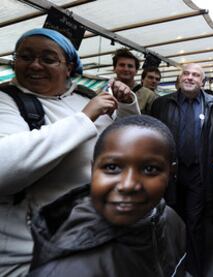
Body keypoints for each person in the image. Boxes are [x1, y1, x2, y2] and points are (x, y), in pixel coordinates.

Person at [0, 28, 140, 276]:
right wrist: (84, 117)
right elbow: (5, 170)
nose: (35, 65)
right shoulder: (6, 99)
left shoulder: (83, 96)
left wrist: (128, 106)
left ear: (69, 67)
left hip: (94, 240)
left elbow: (125, 142)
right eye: (25, 56)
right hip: (32, 257)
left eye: (48, 59)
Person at [28, 115, 187, 276]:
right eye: (112, 167)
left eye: (150, 169)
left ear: (170, 173)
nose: (128, 185)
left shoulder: (171, 221)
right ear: (92, 169)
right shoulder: (62, 271)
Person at [151, 63, 213, 277]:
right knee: (169, 221)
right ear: (179, 77)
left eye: (196, 75)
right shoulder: (161, 104)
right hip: (170, 175)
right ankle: (172, 267)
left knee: (195, 224)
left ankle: (194, 270)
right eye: (186, 73)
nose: (190, 77)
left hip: (199, 175)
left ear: (202, 81)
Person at [112, 48, 158, 114]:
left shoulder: (148, 95)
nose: (126, 69)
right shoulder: (103, 91)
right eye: (122, 65)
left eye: (130, 66)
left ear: (136, 71)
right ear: (114, 68)